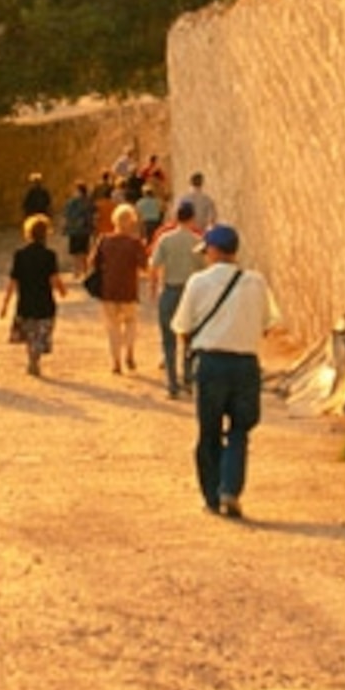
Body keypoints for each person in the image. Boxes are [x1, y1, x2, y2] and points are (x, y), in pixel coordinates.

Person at [171, 222, 275, 519]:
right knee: (241, 429)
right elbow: (268, 324)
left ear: (214, 251)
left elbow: (182, 327)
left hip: (212, 364)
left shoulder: (198, 283)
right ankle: (231, 488)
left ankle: (212, 496)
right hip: (245, 365)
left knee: (209, 432)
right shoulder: (256, 282)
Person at [146, 199, 208, 399]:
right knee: (190, 337)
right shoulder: (197, 242)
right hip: (190, 293)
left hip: (170, 290)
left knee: (168, 339)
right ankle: (188, 379)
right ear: (191, 218)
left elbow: (154, 265)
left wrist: (153, 287)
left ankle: (172, 384)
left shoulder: (165, 239)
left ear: (175, 217)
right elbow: (204, 268)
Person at [0, 214, 68, 376]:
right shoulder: (49, 255)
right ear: (46, 233)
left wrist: (5, 302)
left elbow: (13, 280)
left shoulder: (20, 255)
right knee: (41, 330)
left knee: (30, 331)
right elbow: (54, 278)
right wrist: (62, 290)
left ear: (28, 232)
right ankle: (35, 357)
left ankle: (32, 357)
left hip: (26, 299)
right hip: (44, 299)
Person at [87, 202, 151, 374]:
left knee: (112, 326)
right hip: (129, 290)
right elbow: (145, 266)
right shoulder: (134, 243)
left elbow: (92, 262)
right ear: (131, 222)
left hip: (109, 289)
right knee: (130, 322)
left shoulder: (104, 240)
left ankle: (116, 362)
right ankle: (129, 352)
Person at [60, 179, 98, 268]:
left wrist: (65, 228)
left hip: (74, 230)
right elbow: (94, 213)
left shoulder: (71, 202)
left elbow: (66, 215)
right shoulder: (89, 201)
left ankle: (77, 270)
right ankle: (84, 269)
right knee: (84, 251)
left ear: (77, 190)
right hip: (85, 230)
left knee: (75, 252)